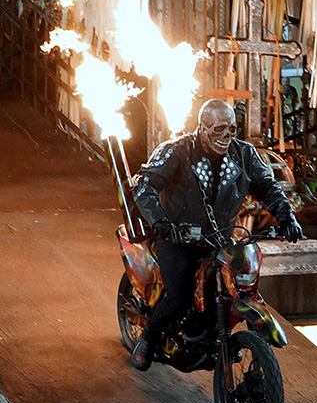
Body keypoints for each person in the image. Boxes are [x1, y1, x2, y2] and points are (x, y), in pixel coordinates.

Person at [130, 99, 303, 371]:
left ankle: (215, 337)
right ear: (202, 127)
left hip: (219, 240)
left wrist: (287, 217)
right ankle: (148, 338)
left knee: (235, 289)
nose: (227, 136)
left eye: (232, 129)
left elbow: (268, 187)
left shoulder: (244, 154)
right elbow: (144, 184)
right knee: (179, 297)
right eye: (219, 129)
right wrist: (161, 222)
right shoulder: (176, 151)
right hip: (179, 239)